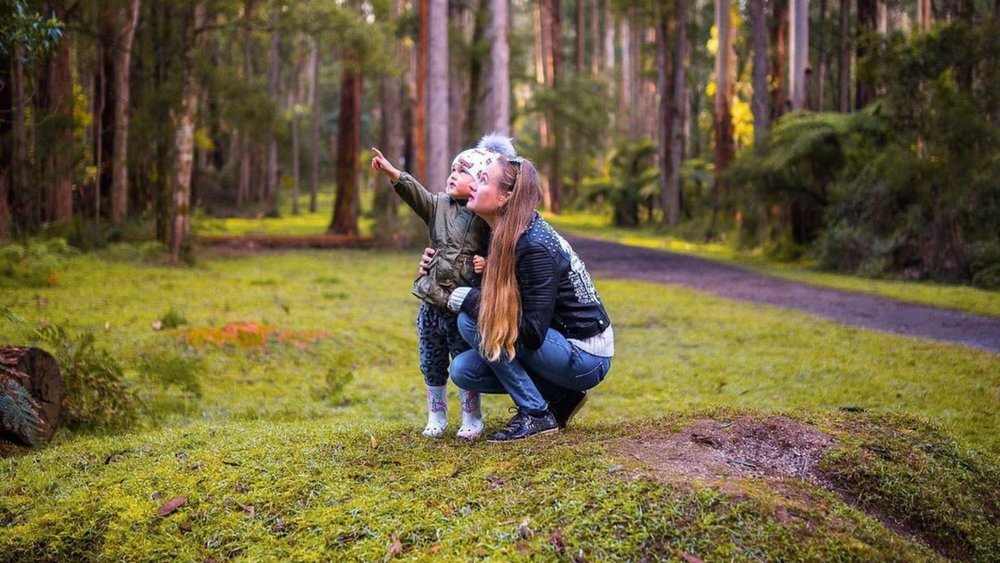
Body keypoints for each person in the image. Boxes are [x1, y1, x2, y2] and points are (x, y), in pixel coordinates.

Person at [443, 155, 614, 442]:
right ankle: (561, 397)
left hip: (585, 355)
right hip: (555, 342)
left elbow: (531, 334)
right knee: (464, 370)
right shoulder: (504, 231)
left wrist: (472, 300)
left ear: (506, 196)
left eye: (483, 180)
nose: (473, 184)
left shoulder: (533, 246)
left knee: (472, 322)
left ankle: (535, 413)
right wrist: (433, 265)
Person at [370, 135, 515, 440]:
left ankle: (471, 416)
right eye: (451, 169)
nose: (452, 175)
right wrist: (393, 173)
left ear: (477, 181)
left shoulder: (484, 216)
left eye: (462, 172)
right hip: (431, 302)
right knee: (431, 360)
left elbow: (502, 252)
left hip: (462, 305)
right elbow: (416, 195)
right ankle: (436, 415)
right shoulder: (438, 206)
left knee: (462, 359)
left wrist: (486, 264)